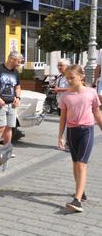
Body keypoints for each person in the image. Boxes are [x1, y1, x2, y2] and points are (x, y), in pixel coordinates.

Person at [58, 64, 102, 212]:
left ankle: (77, 201)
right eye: (67, 78)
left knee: (82, 164)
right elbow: (63, 118)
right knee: (75, 164)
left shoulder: (91, 93)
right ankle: (80, 191)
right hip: (71, 132)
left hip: (86, 131)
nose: (69, 81)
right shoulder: (66, 96)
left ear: (81, 77)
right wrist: (60, 137)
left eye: (72, 78)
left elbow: (97, 113)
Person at [0, 51, 22, 158]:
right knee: (0, 127)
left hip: (11, 104)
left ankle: (7, 150)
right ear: (11, 59)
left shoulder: (15, 72)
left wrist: (18, 98)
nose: (19, 64)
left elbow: (18, 87)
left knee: (9, 127)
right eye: (18, 62)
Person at [54, 58, 70, 151]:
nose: (59, 67)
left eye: (61, 65)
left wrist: (59, 89)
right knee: (63, 123)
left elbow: (75, 88)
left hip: (69, 104)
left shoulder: (70, 76)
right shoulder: (60, 76)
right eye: (58, 65)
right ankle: (63, 142)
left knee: (68, 124)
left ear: (67, 66)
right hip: (61, 103)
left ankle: (68, 143)